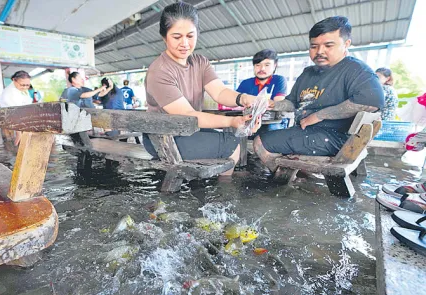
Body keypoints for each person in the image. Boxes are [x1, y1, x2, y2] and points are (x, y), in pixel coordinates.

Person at [253, 16, 384, 172]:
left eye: (328, 45)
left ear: (346, 44)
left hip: (337, 138)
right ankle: (299, 175)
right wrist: (272, 104)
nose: (320, 51)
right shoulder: (308, 73)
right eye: (314, 46)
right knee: (273, 137)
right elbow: (291, 103)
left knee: (260, 142)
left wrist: (320, 115)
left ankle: (288, 181)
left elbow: (370, 103)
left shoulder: (356, 69)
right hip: (307, 133)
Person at [143, 2, 261, 175]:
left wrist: (243, 98)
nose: (184, 43)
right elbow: (187, 115)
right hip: (162, 136)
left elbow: (219, 92)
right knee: (230, 144)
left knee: (230, 140)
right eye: (177, 37)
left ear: (197, 33)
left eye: (190, 36)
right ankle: (223, 192)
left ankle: (218, 191)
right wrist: (231, 121)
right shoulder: (159, 71)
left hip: (188, 129)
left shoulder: (200, 62)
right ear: (164, 37)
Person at [236, 49, 288, 131]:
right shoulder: (245, 83)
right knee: (235, 129)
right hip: (249, 120)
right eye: (258, 65)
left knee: (269, 134)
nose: (262, 68)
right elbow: (234, 102)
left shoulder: (279, 80)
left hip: (272, 122)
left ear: (274, 66)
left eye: (267, 65)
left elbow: (278, 103)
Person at [0, 71, 33, 145]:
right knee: (21, 139)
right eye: (22, 85)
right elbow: (13, 111)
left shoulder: (21, 89)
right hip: (12, 118)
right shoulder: (9, 92)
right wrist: (18, 132)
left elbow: (28, 103)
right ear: (14, 80)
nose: (25, 87)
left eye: (27, 85)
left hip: (23, 116)